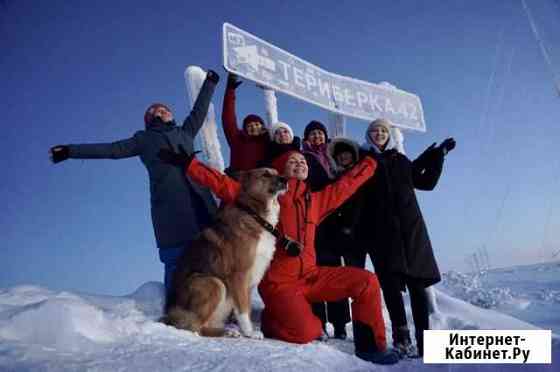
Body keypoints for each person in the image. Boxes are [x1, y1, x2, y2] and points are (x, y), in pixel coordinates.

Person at [159, 148, 399, 365]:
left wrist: (371, 163)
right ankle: (274, 320)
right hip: (280, 283)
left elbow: (346, 185)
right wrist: (191, 165)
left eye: (303, 161)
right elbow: (223, 184)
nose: (300, 164)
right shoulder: (263, 197)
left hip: (311, 275)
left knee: (366, 282)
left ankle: (371, 348)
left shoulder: (314, 200)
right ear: (281, 169)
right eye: (293, 161)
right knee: (308, 332)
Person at [49, 70, 221, 294]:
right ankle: (175, 319)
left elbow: (199, 111)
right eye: (154, 111)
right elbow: (110, 150)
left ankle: (220, 314)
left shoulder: (185, 132)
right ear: (149, 119)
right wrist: (70, 151)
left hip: (201, 206)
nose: (160, 111)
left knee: (213, 263)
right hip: (171, 214)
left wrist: (209, 83)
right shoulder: (143, 140)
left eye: (164, 109)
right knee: (177, 266)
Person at [355, 118, 456, 357]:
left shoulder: (400, 160)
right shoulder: (364, 162)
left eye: (383, 131)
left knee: (418, 288)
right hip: (382, 235)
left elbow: (425, 182)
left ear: (389, 135)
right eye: (374, 131)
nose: (379, 134)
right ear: (368, 136)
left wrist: (439, 156)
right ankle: (402, 340)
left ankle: (425, 343)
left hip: (411, 232)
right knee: (391, 289)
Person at [311, 138, 363, 340]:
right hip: (322, 231)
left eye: (347, 153)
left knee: (338, 280)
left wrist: (349, 226)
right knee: (317, 278)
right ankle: (320, 322)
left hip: (346, 236)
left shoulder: (357, 174)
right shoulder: (329, 176)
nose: (344, 157)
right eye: (340, 154)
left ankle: (340, 325)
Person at [222, 73, 270, 176]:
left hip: (262, 185)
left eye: (257, 124)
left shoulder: (268, 141)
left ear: (262, 126)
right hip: (239, 183)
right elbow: (228, 116)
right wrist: (230, 89)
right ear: (245, 129)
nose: (253, 127)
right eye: (249, 125)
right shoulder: (237, 139)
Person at [301, 120, 336, 191]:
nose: (317, 136)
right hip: (315, 193)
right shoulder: (302, 155)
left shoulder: (334, 152)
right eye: (313, 134)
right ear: (307, 138)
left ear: (325, 137)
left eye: (320, 133)